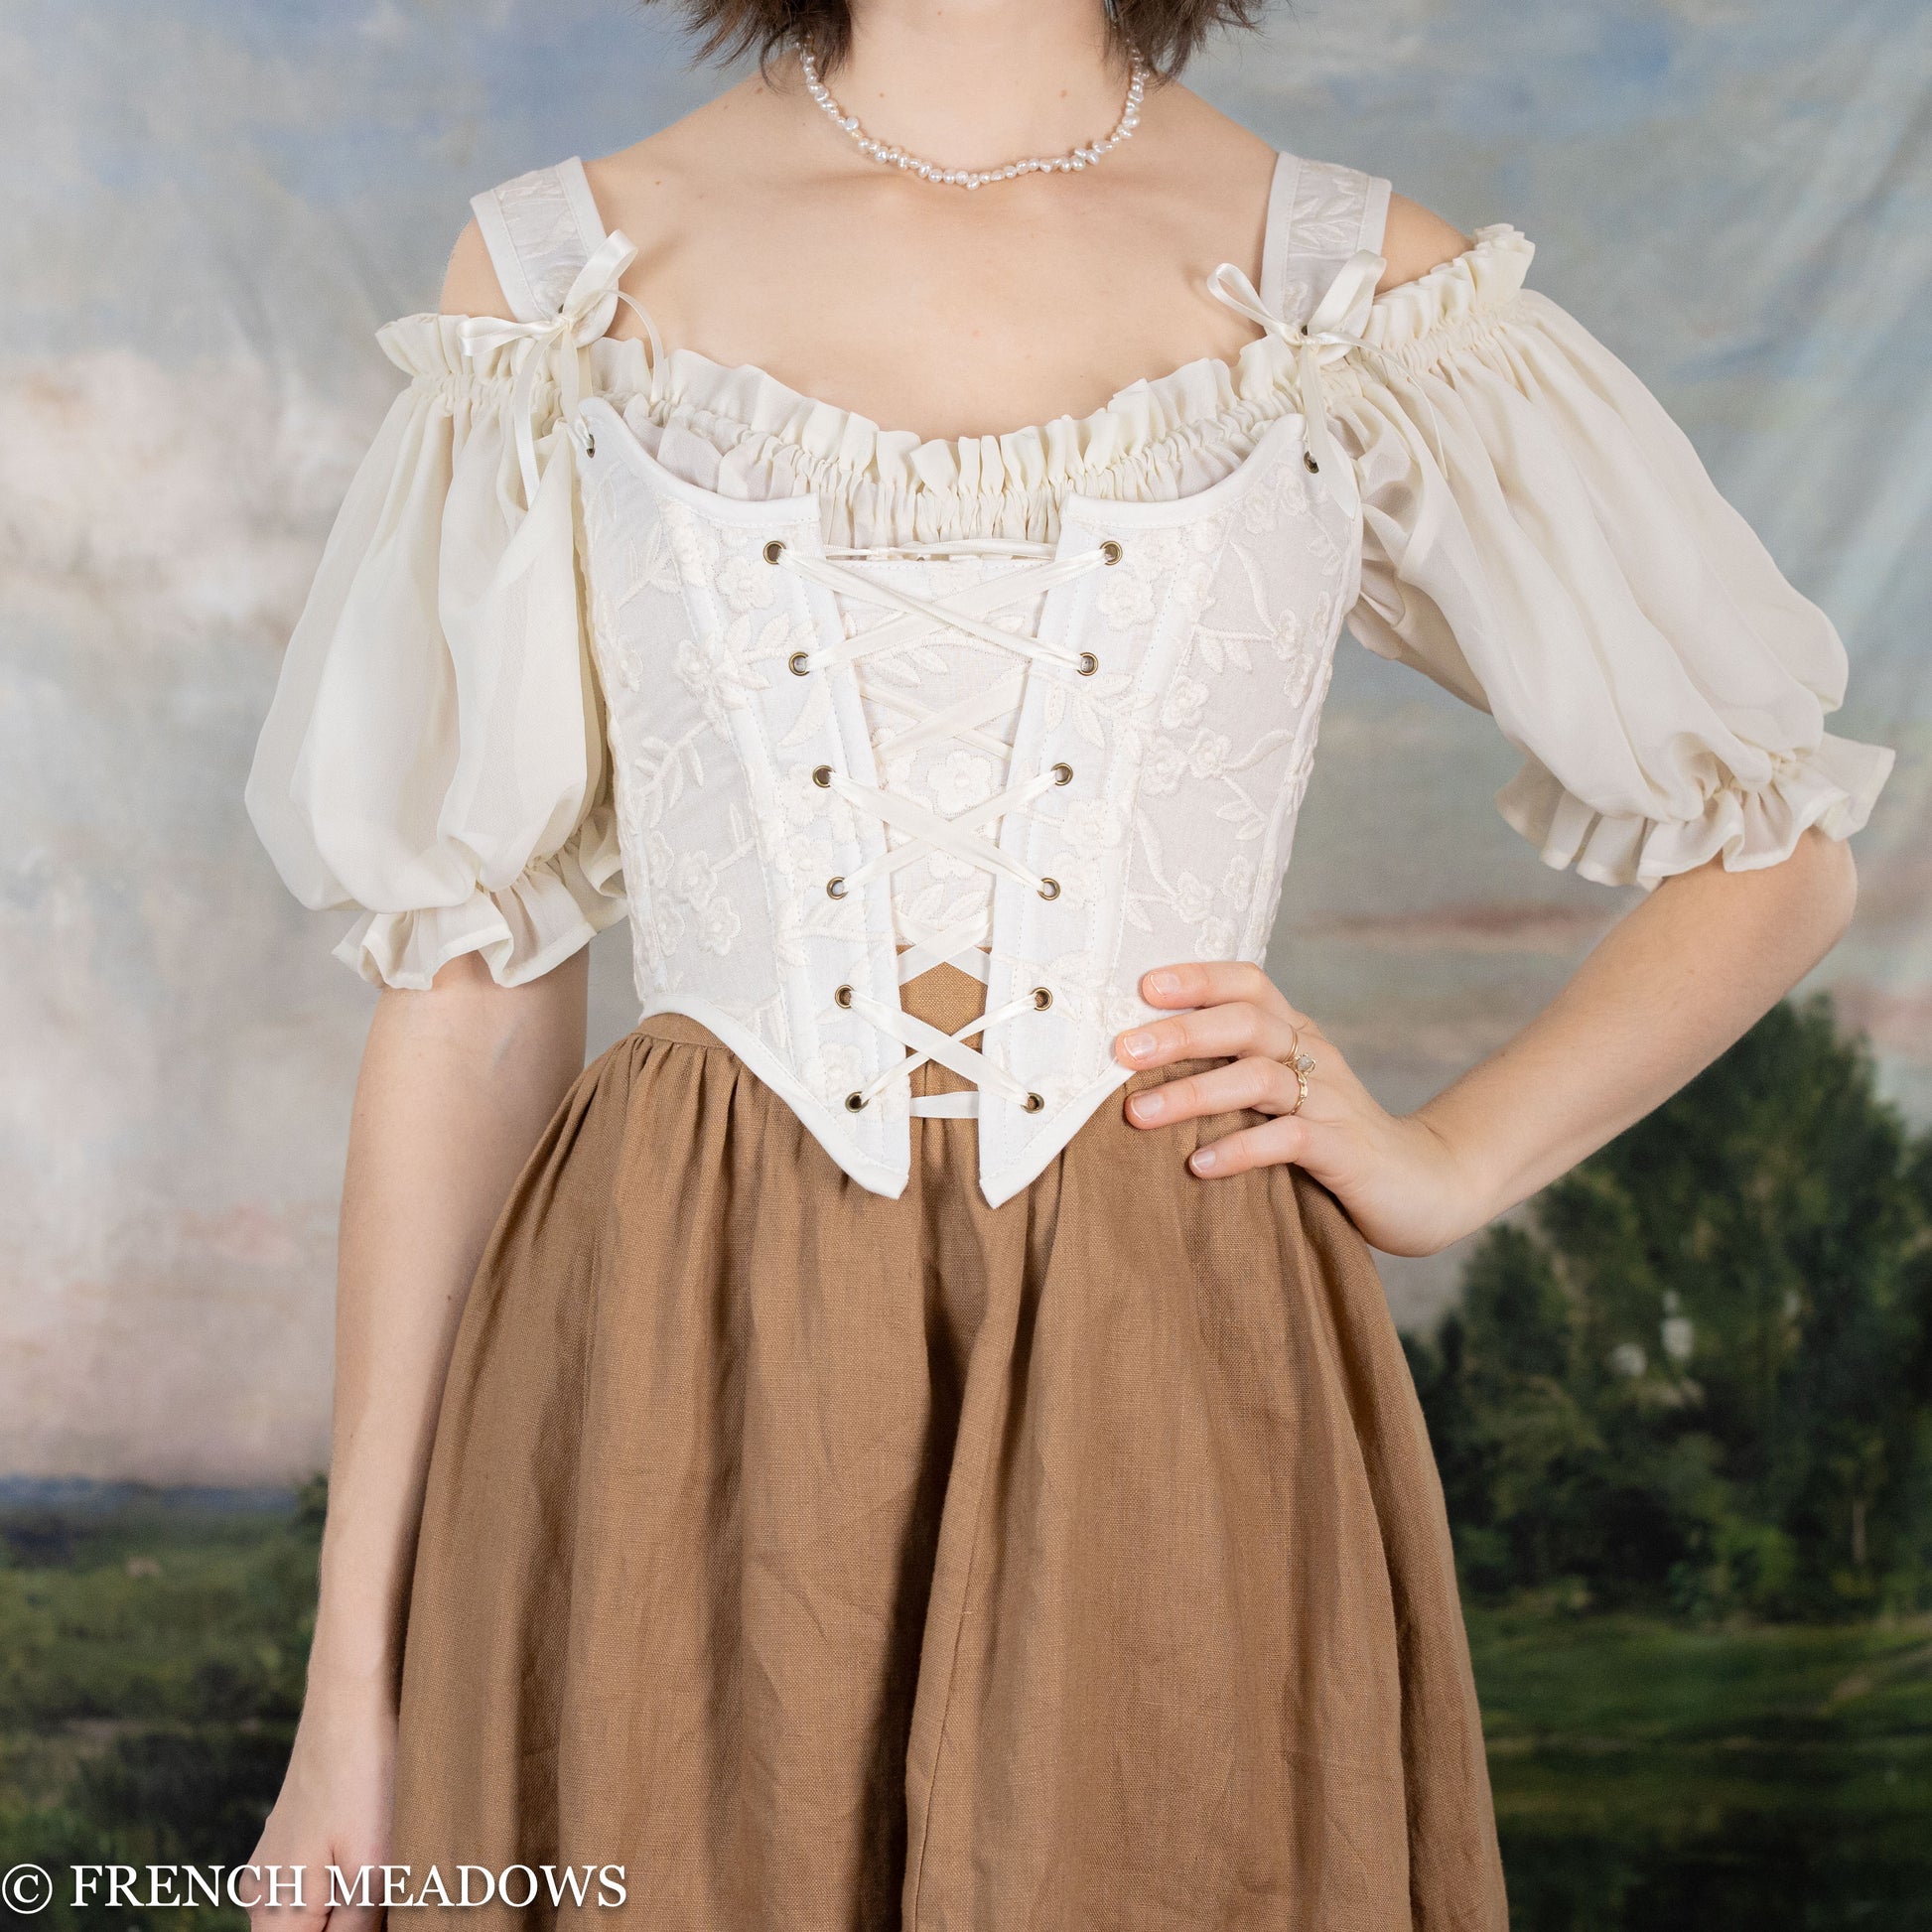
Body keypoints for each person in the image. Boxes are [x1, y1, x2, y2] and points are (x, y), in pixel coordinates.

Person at [240, 0, 1893, 1923]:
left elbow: (1777, 849)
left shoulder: (1344, 294)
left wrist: (1446, 1163)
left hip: (1169, 1378)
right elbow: (465, 988)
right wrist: (348, 1685)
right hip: (680, 1397)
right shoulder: (565, 281)